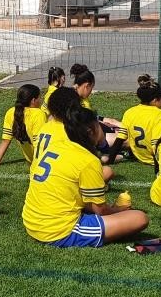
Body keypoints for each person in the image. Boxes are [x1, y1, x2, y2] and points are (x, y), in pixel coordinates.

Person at [22, 105, 148, 248]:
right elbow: (101, 211)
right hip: (57, 230)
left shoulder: (55, 146)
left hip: (31, 220)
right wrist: (119, 210)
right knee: (139, 218)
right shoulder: (88, 161)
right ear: (91, 131)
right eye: (99, 126)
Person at [105, 75, 161, 166]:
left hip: (140, 156)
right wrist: (159, 164)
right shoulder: (159, 114)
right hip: (153, 159)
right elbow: (156, 143)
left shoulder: (130, 112)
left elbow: (120, 139)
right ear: (155, 100)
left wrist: (110, 160)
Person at [0, 84, 46, 167]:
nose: (41, 100)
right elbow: (39, 144)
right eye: (40, 97)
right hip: (43, 161)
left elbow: (5, 140)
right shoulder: (38, 114)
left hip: (32, 160)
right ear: (33, 100)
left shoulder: (11, 112)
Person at [70, 63, 121, 152]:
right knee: (123, 138)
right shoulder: (74, 100)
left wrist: (104, 122)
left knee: (113, 122)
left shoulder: (81, 96)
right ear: (86, 86)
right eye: (91, 88)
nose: (91, 91)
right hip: (90, 134)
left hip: (93, 126)